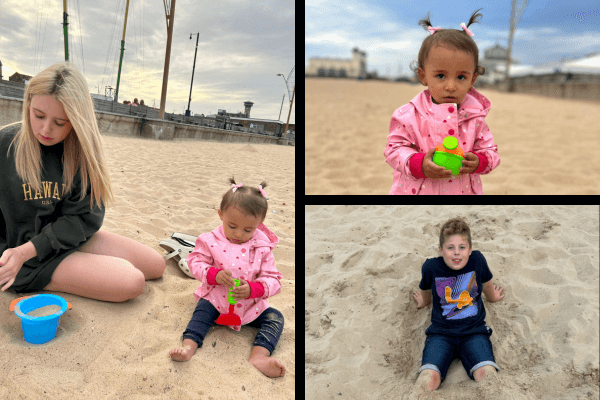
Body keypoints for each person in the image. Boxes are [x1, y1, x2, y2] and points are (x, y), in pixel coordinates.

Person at [0, 62, 165, 302]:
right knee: (132, 281)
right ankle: (42, 279)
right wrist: (19, 254)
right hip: (17, 254)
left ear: (77, 120)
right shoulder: (5, 144)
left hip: (62, 237)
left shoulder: (80, 151)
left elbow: (84, 217)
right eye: (38, 115)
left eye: (60, 122)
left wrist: (39, 245)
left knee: (156, 265)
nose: (46, 129)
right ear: (28, 105)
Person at [168, 178, 285, 378]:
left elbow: (273, 278)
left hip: (249, 307)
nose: (239, 233)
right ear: (221, 214)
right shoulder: (209, 241)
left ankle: (259, 356)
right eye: (232, 226)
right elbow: (194, 262)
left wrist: (254, 289)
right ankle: (188, 347)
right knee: (201, 314)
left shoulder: (263, 247)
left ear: (259, 224)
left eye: (248, 230)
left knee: (275, 319)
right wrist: (213, 274)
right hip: (216, 301)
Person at [384, 9, 500, 194]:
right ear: (423, 76)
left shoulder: (476, 118)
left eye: (461, 77)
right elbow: (393, 150)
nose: (451, 86)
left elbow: (491, 152)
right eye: (440, 75)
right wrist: (419, 163)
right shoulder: (408, 115)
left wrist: (479, 162)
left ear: (472, 80)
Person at [413, 217, 504, 391]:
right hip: (441, 334)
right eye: (450, 248)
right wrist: (423, 302)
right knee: (427, 378)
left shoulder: (477, 260)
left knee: (488, 375)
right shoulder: (431, 267)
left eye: (462, 247)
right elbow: (426, 290)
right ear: (441, 250)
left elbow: (486, 284)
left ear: (470, 249)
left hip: (474, 332)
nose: (457, 253)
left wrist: (493, 297)